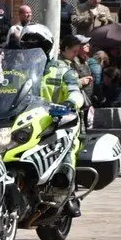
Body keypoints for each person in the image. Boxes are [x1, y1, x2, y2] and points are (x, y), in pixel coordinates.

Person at [18, 24, 84, 215]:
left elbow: (75, 92)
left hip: (58, 122)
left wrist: (70, 103)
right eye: (29, 46)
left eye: (38, 46)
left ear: (47, 47)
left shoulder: (62, 71)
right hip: (27, 123)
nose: (33, 50)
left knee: (67, 146)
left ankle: (67, 191)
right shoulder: (17, 72)